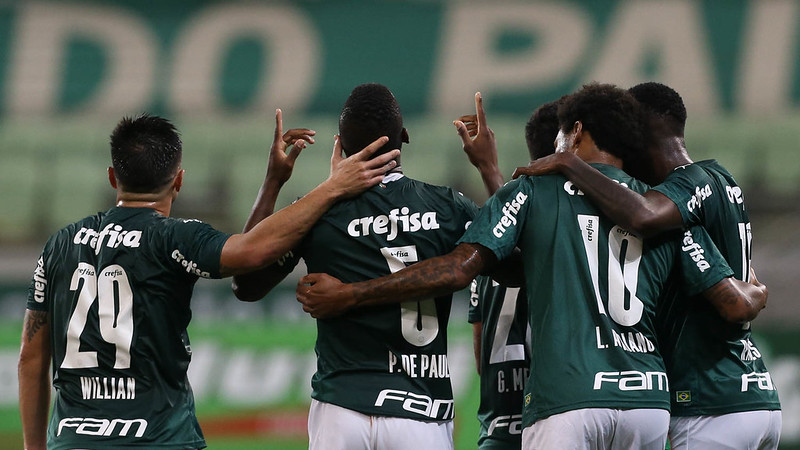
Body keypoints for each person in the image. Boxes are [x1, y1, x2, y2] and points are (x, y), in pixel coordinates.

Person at [295, 83, 768, 449]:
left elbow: (464, 270)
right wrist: (755, 291)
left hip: (568, 398)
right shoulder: (658, 208)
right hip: (648, 401)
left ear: (576, 132)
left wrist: (351, 294)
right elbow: (729, 298)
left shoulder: (536, 189)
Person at [17, 111, 399, 450]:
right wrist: (331, 187)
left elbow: (32, 357)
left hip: (72, 439)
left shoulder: (61, 243)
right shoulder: (173, 237)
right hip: (158, 437)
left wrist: (35, 446)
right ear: (179, 180)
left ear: (113, 176)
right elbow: (252, 253)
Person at [514, 81, 781, 448]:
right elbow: (742, 291)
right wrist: (756, 291)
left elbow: (642, 215)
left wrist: (567, 161)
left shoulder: (683, 192)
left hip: (708, 399)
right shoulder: (724, 180)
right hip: (752, 391)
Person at [232, 83, 484, 450]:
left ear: (340, 145)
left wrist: (273, 181)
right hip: (421, 411)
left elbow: (246, 285)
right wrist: (489, 168)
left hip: (341, 408)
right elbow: (507, 263)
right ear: (405, 137)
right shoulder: (449, 207)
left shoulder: (314, 213)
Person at [453, 95, 560, 449]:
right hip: (557, 422)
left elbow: (481, 357)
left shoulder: (484, 244)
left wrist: (489, 170)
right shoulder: (577, 230)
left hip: (499, 430)